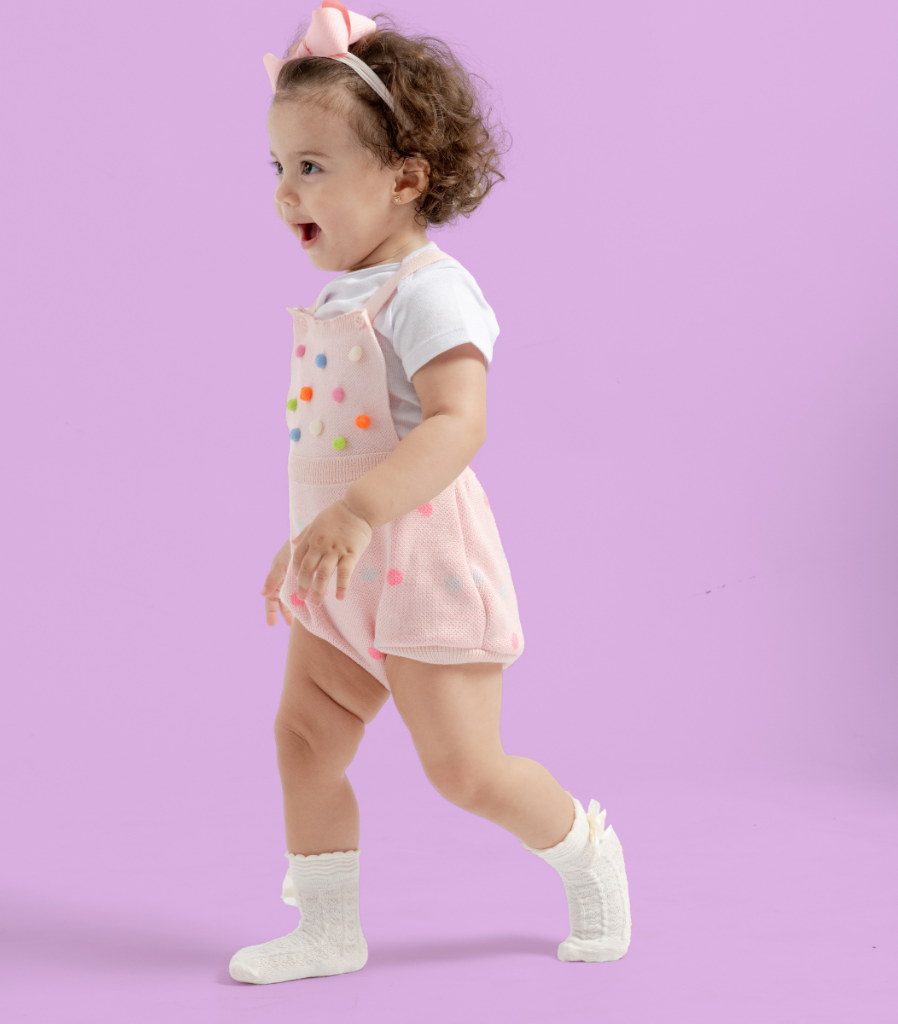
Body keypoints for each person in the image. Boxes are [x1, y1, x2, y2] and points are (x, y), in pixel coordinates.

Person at [229, 1, 631, 985]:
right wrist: (310, 537)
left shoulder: (428, 288)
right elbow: (334, 455)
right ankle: (328, 927)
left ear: (404, 178)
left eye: (311, 167)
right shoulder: (341, 292)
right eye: (277, 166)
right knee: (302, 739)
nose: (284, 192)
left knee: (464, 771)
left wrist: (356, 513)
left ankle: (585, 847)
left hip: (421, 568)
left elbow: (458, 421)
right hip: (344, 575)